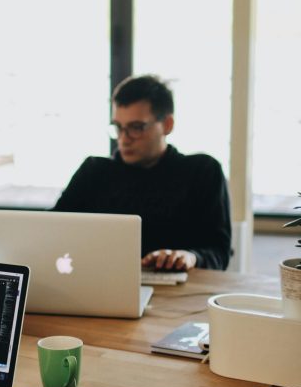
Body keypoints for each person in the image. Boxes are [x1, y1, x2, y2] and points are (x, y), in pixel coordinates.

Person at [52, 74, 231, 271]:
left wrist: (190, 257)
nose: (124, 139)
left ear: (167, 125)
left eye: (136, 128)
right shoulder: (94, 172)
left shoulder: (202, 172)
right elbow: (51, 229)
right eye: (118, 128)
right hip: (100, 286)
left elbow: (219, 253)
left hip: (178, 293)